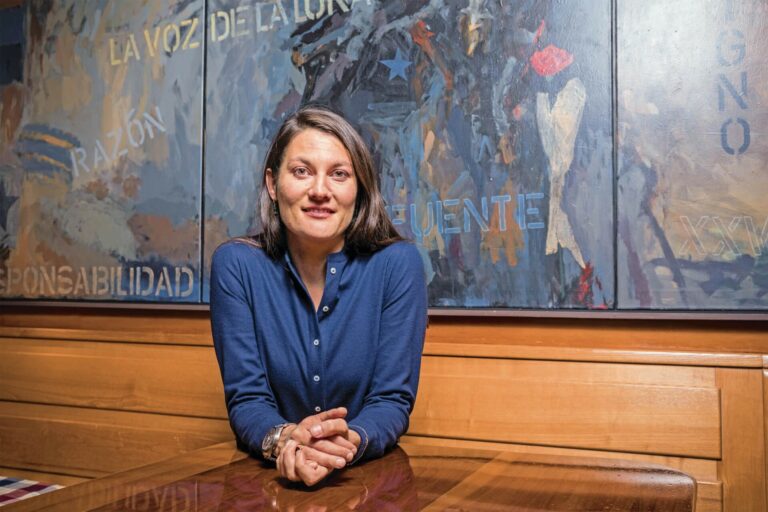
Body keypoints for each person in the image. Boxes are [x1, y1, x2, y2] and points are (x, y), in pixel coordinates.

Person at [209, 105, 428, 487]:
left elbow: (391, 401)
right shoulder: (236, 265)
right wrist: (285, 439)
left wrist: (346, 443)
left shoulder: (398, 265)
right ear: (273, 184)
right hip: (266, 484)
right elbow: (247, 400)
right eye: (301, 171)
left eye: (339, 174)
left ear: (359, 189)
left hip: (368, 484)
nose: (320, 191)